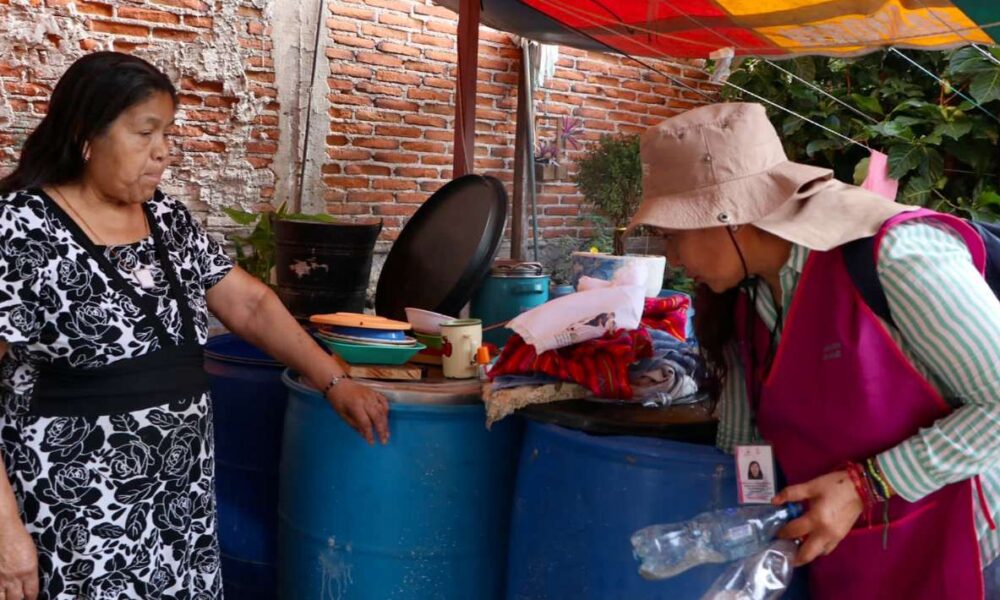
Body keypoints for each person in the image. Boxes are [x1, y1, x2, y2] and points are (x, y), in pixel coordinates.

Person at [0, 52, 390, 600]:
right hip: (74, 514)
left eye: (167, 132)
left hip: (178, 506)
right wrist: (4, 534)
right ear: (84, 132)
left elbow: (249, 304)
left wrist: (334, 380)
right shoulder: (19, 229)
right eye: (144, 132)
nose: (162, 150)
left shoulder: (167, 219)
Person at [627, 102, 1000, 599]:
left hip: (965, 545)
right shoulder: (743, 299)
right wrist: (747, 527)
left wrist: (866, 485)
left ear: (730, 215)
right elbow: (747, 442)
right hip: (855, 557)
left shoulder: (892, 257)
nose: (671, 257)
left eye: (673, 236)